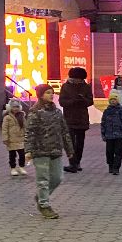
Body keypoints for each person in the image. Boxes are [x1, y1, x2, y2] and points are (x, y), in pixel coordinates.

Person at [24, 85, 75, 219]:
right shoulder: (35, 112)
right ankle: (44, 205)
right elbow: (30, 132)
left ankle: (41, 197)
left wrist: (69, 149)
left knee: (57, 178)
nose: (51, 95)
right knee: (43, 180)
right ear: (40, 95)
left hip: (55, 150)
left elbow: (64, 131)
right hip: (40, 151)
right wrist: (28, 150)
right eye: (47, 93)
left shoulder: (57, 112)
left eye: (52, 93)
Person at [59, 67, 94, 173]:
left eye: (80, 79)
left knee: (80, 142)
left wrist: (83, 100)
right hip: (69, 118)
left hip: (82, 118)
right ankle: (72, 163)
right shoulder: (65, 86)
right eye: (76, 79)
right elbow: (62, 102)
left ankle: (77, 162)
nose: (78, 81)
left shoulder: (86, 86)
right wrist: (72, 101)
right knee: (70, 142)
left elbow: (90, 101)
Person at [100, 91, 122, 174]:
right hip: (109, 136)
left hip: (119, 135)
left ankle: (116, 168)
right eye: (111, 100)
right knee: (109, 152)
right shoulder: (106, 111)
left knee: (118, 152)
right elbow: (103, 123)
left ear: (117, 101)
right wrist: (103, 134)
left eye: (115, 100)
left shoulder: (120, 111)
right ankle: (110, 165)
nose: (113, 101)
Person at [2, 98, 27, 176]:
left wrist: (27, 135)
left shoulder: (22, 116)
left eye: (17, 107)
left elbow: (25, 127)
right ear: (10, 107)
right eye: (13, 107)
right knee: (12, 155)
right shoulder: (7, 118)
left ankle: (21, 167)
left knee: (22, 154)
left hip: (21, 139)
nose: (15, 109)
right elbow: (4, 129)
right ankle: (13, 168)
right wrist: (5, 138)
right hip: (11, 140)